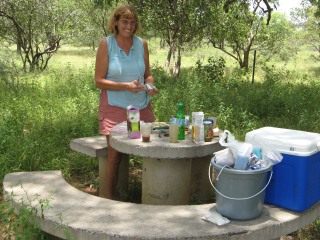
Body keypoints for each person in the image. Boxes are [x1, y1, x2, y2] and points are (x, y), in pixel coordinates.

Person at [95, 4, 158, 199]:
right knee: (115, 156)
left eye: (132, 22)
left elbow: (147, 74)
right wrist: (125, 86)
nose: (129, 26)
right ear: (116, 22)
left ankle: (149, 196)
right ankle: (108, 200)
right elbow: (98, 81)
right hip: (114, 106)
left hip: (139, 106)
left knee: (147, 146)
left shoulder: (142, 44)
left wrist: (150, 84)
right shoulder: (107, 44)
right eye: (124, 22)